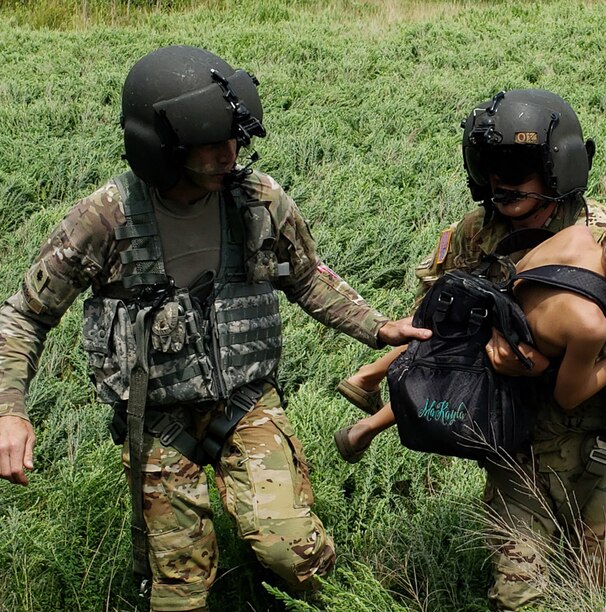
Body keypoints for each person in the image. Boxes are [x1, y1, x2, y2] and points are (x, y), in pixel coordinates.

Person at [0, 45, 428, 612]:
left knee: (291, 552)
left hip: (247, 401)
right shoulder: (104, 219)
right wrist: (9, 409)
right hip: (155, 415)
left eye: (236, 140)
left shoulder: (260, 202)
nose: (231, 155)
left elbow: (306, 277)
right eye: (212, 144)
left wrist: (378, 328)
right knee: (180, 586)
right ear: (164, 148)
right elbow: (25, 314)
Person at [333, 91, 606, 608]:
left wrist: (547, 357)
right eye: (492, 166)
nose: (502, 181)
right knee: (517, 598)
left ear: (558, 168)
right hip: (522, 442)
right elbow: (440, 322)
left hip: (602, 429)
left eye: (520, 168)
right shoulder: (474, 234)